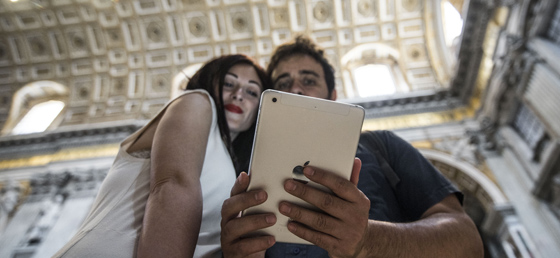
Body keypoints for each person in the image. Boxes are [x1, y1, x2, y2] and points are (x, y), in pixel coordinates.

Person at [220, 36, 484, 257]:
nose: (296, 91)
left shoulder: (381, 145)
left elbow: (467, 240)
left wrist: (367, 240)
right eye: (283, 85)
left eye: (308, 81)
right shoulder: (246, 172)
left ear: (333, 96)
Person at [53, 54, 270, 258]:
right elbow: (173, 184)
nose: (238, 94)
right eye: (229, 84)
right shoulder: (197, 102)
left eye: (251, 92)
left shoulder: (234, 169)